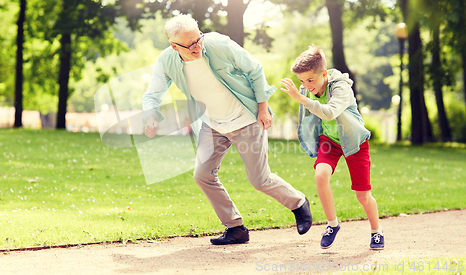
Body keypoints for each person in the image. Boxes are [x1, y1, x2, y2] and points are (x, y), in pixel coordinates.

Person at [142, 14, 312, 245]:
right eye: (190, 44)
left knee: (259, 180)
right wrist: (150, 115)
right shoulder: (167, 61)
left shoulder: (218, 44)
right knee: (202, 175)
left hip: (245, 119)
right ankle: (236, 228)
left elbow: (255, 69)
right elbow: (153, 93)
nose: (197, 46)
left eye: (198, 39)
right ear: (174, 46)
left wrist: (263, 108)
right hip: (213, 125)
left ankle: (298, 203)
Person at [280, 45, 384, 250]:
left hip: (354, 142)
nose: (306, 86)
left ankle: (376, 231)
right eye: (302, 81)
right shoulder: (306, 89)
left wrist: (301, 98)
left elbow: (329, 113)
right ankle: (332, 225)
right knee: (320, 175)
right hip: (330, 141)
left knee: (362, 195)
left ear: (324, 73)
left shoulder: (340, 88)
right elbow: (310, 118)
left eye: (310, 80)